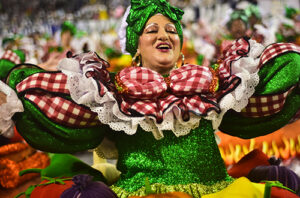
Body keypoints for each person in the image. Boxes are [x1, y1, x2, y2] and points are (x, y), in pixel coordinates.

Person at [1, 0, 300, 197]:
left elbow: (268, 88)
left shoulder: (214, 82)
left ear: (181, 44)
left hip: (217, 190)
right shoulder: (108, 92)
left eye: (171, 30)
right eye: (151, 30)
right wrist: (12, 94)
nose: (164, 35)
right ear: (136, 46)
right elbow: (53, 109)